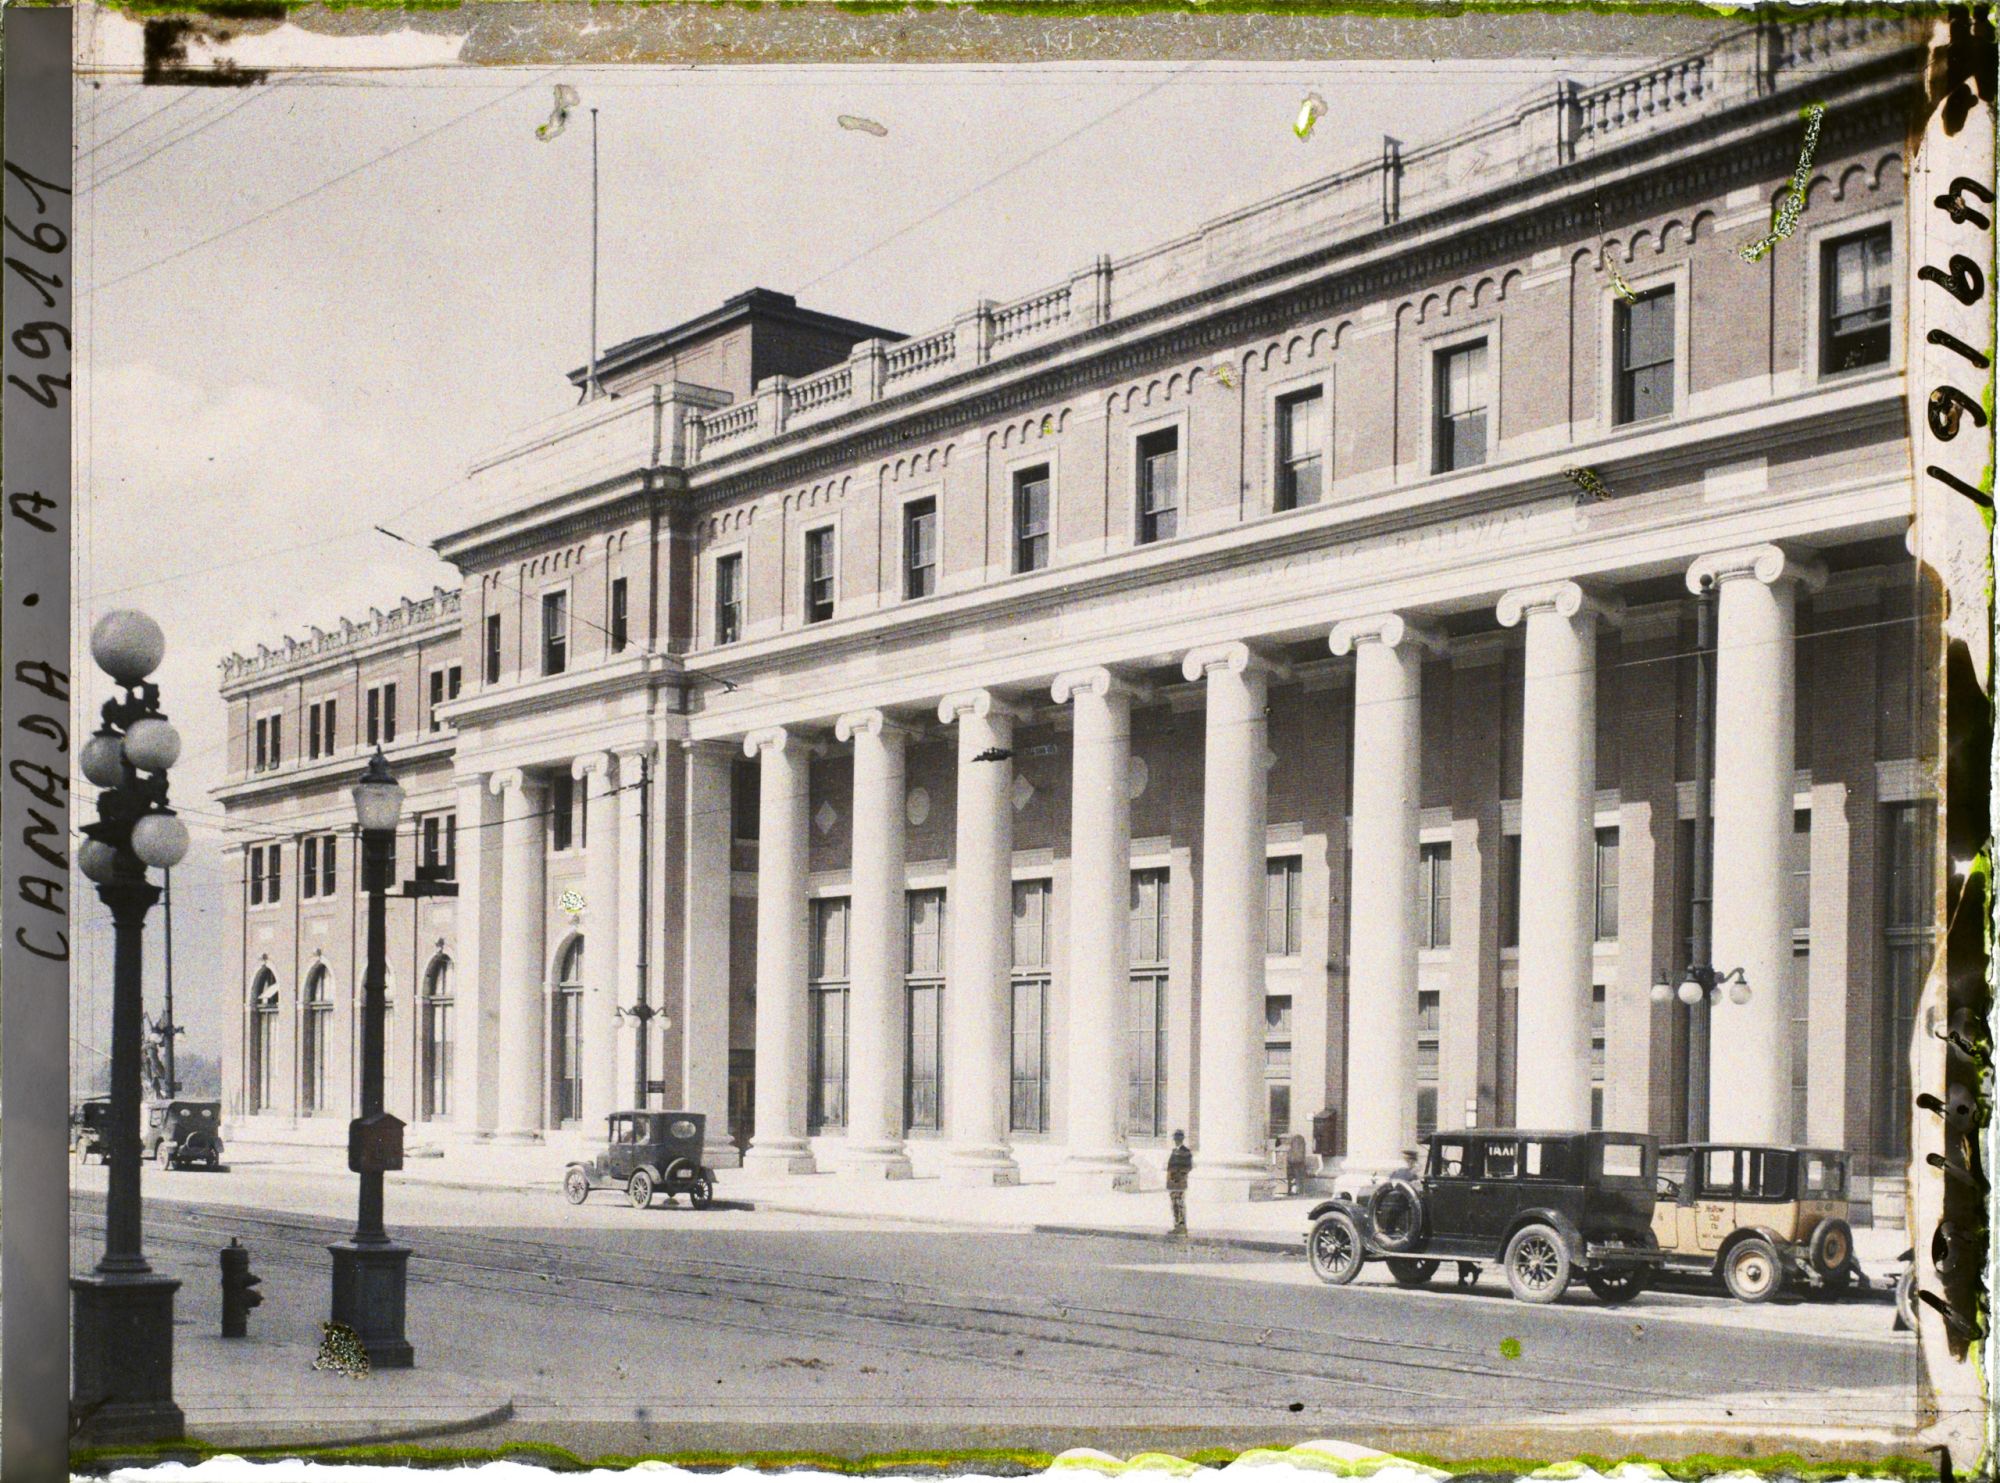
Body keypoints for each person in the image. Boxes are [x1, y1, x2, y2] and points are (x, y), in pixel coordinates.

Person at [1165, 1130, 1193, 1236]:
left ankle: (1181, 1226)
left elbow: (1188, 1167)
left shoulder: (1186, 1151)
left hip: (1179, 1182)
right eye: (1175, 1139)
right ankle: (1177, 1225)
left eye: (1178, 1139)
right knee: (1174, 1204)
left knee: (1179, 1204)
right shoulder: (1174, 1151)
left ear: (1181, 1139)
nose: (1176, 1141)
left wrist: (1179, 1175)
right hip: (1172, 1182)